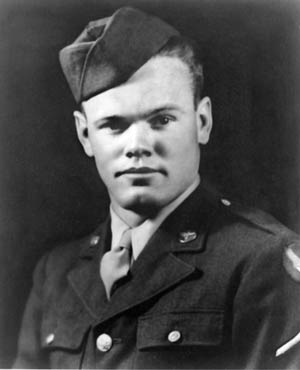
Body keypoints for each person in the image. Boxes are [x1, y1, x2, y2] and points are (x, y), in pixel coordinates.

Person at [14, 6, 300, 369]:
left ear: (202, 121)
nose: (137, 145)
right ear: (85, 134)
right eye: (114, 126)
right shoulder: (54, 273)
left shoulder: (262, 263)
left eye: (162, 119)